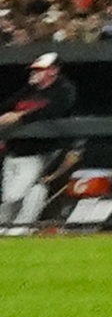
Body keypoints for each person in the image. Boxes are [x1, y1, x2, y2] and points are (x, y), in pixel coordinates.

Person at [2, 50, 67, 236]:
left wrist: (20, 116)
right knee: (10, 197)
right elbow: (7, 107)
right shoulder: (28, 90)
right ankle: (9, 228)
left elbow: (55, 110)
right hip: (14, 150)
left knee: (20, 193)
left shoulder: (62, 89)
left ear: (53, 71)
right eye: (35, 69)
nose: (35, 73)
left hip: (39, 151)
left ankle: (22, 227)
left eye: (40, 69)